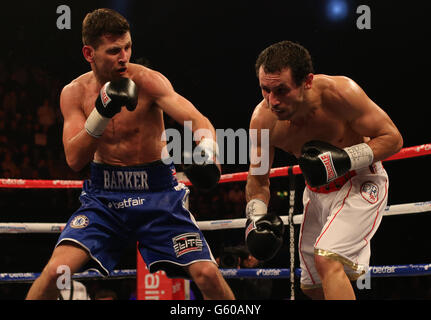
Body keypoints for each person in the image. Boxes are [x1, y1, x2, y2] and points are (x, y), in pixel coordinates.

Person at [26, 8, 234, 300]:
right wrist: (101, 113)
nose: (124, 57)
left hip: (158, 195)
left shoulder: (149, 82)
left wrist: (208, 151)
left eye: (127, 47)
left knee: (208, 274)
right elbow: (74, 159)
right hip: (105, 197)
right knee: (54, 273)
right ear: (89, 53)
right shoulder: (74, 93)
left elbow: (200, 122)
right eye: (113, 51)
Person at [244, 40, 403, 300]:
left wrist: (344, 158)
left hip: (361, 180)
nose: (272, 101)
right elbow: (258, 179)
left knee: (327, 260)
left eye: (281, 90)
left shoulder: (341, 93)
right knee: (313, 285)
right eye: (265, 90)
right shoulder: (262, 121)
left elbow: (392, 138)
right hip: (316, 193)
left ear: (306, 81)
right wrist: (256, 217)